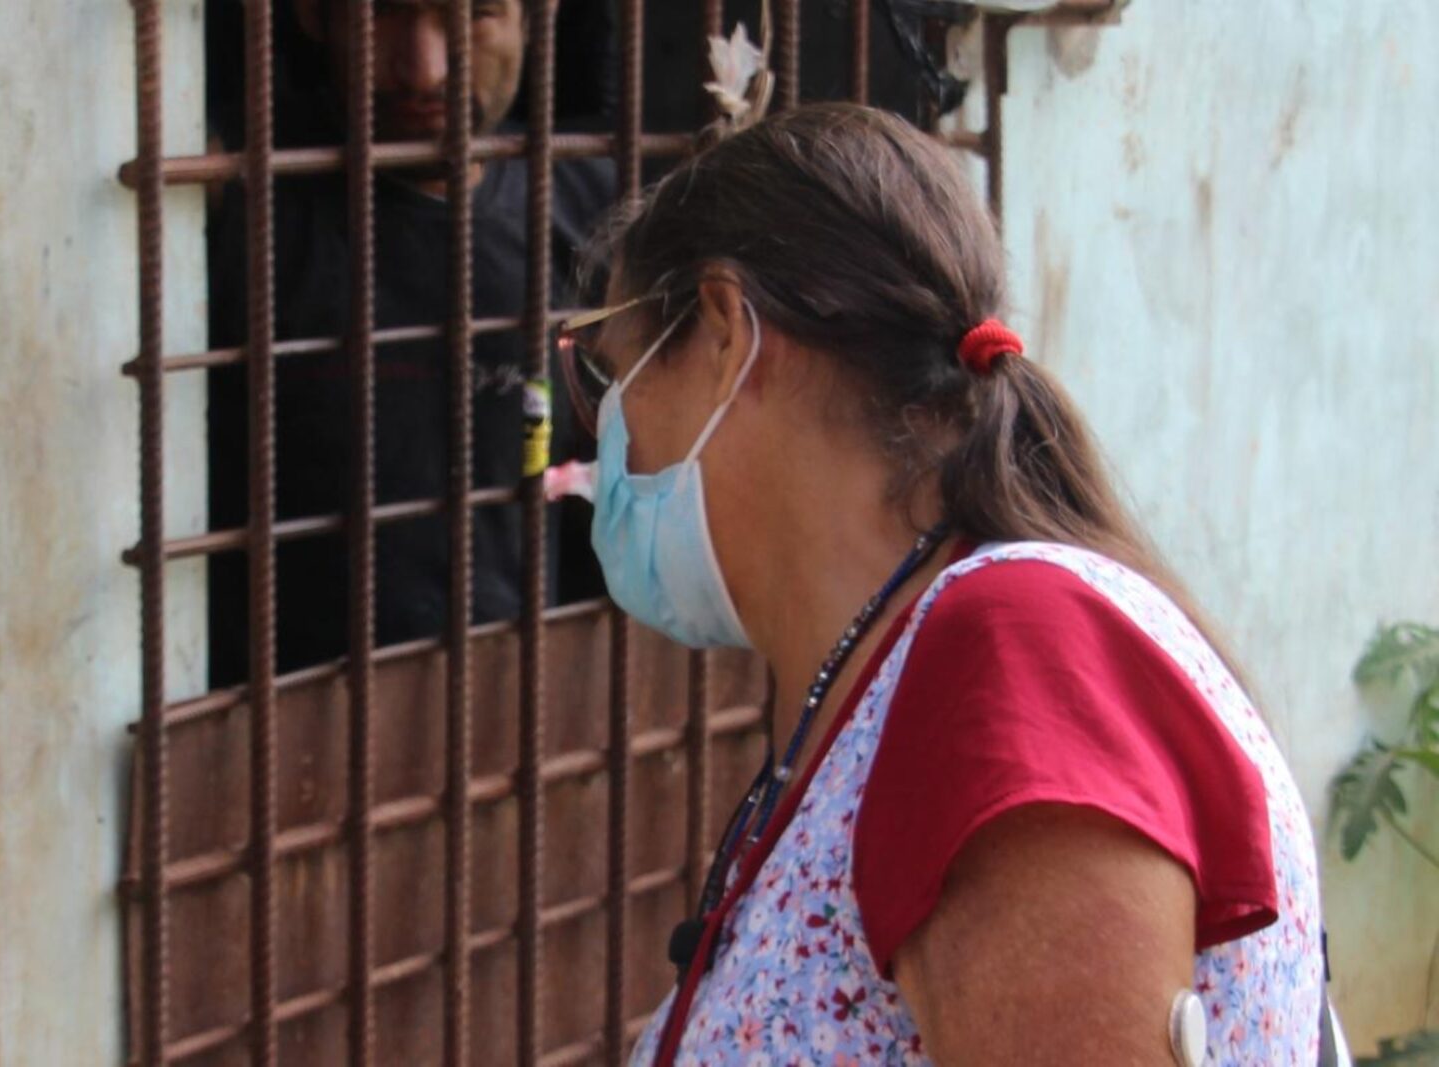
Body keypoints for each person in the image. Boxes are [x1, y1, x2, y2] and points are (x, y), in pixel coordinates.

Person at [561, 103, 1329, 1063]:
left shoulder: (1014, 651)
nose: (610, 440)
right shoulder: (901, 665)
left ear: (725, 333)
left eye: (615, 377)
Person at [209, 0, 619, 678]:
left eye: (474, 14)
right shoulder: (230, 199)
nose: (422, 69)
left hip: (526, 700)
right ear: (313, 14)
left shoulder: (596, 214)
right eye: (380, 14)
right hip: (283, 718)